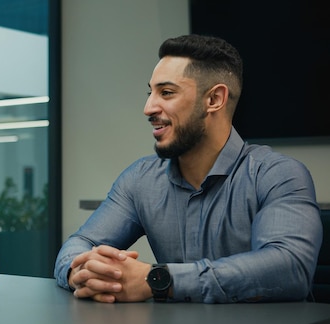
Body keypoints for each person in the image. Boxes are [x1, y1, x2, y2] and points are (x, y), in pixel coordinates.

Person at [54, 34, 323, 304]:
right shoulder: (140, 180)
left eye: (166, 93)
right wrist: (80, 271)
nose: (148, 108)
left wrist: (158, 279)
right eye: (151, 92)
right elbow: (78, 244)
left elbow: (290, 268)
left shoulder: (277, 175)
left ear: (214, 99)